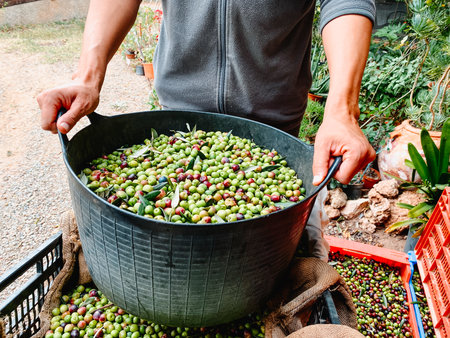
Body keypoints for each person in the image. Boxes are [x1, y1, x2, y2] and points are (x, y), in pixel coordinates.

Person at [37, 0, 376, 260]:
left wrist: (342, 109)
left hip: (272, 140)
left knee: (279, 253)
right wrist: (87, 76)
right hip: (176, 131)